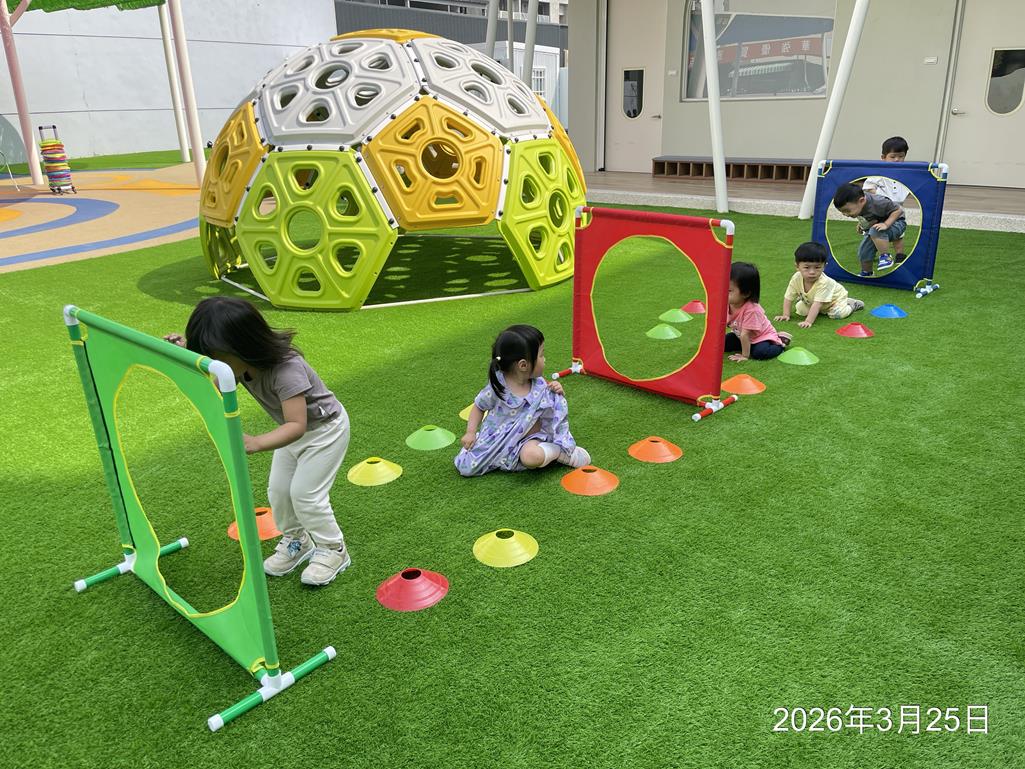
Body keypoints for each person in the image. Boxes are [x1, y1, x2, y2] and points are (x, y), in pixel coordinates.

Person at [165, 297, 351, 587]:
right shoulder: (237, 365)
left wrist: (256, 442)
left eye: (218, 357)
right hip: (292, 432)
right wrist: (185, 356)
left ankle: (333, 549)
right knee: (279, 491)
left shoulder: (287, 369)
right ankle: (298, 541)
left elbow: (297, 425)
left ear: (244, 346)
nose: (216, 366)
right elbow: (213, 389)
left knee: (305, 495)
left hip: (324, 431)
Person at [455, 324, 589, 477]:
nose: (544, 359)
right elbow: (479, 407)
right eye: (541, 355)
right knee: (466, 468)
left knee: (531, 457)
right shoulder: (498, 387)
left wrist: (557, 391)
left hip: (531, 440)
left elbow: (553, 408)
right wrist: (471, 432)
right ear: (523, 365)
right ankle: (542, 454)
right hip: (498, 440)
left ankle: (561, 453)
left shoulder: (539, 384)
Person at [776, 242, 865, 329]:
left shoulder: (824, 282)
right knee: (801, 310)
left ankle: (852, 304)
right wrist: (786, 315)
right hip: (816, 301)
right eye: (806, 267)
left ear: (824, 266)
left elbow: (818, 304)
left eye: (817, 267)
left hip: (835, 300)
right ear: (797, 266)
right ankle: (814, 305)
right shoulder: (796, 278)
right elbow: (788, 297)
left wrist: (808, 321)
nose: (812, 272)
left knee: (837, 314)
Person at [833, 182, 907, 276]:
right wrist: (862, 225)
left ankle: (886, 257)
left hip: (897, 223)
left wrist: (886, 224)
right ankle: (867, 273)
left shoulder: (879, 202)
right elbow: (869, 216)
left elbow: (898, 210)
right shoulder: (857, 204)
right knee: (864, 249)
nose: (845, 214)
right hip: (876, 226)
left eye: (847, 211)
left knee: (875, 230)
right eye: (842, 212)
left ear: (861, 201)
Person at [725, 262, 791, 361]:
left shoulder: (752, 310)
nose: (723, 292)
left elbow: (745, 334)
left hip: (760, 338)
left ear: (746, 293)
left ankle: (780, 342)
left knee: (760, 353)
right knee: (724, 343)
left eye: (729, 291)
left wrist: (744, 356)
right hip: (740, 335)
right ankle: (746, 346)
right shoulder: (726, 303)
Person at [862, 136, 911, 264]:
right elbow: (868, 188)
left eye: (901, 156)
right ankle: (877, 254)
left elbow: (909, 189)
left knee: (898, 236)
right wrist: (880, 195)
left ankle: (900, 255)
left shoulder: (905, 174)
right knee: (875, 232)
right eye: (893, 156)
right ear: (883, 157)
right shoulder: (878, 174)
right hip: (880, 210)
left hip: (898, 210)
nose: (897, 160)